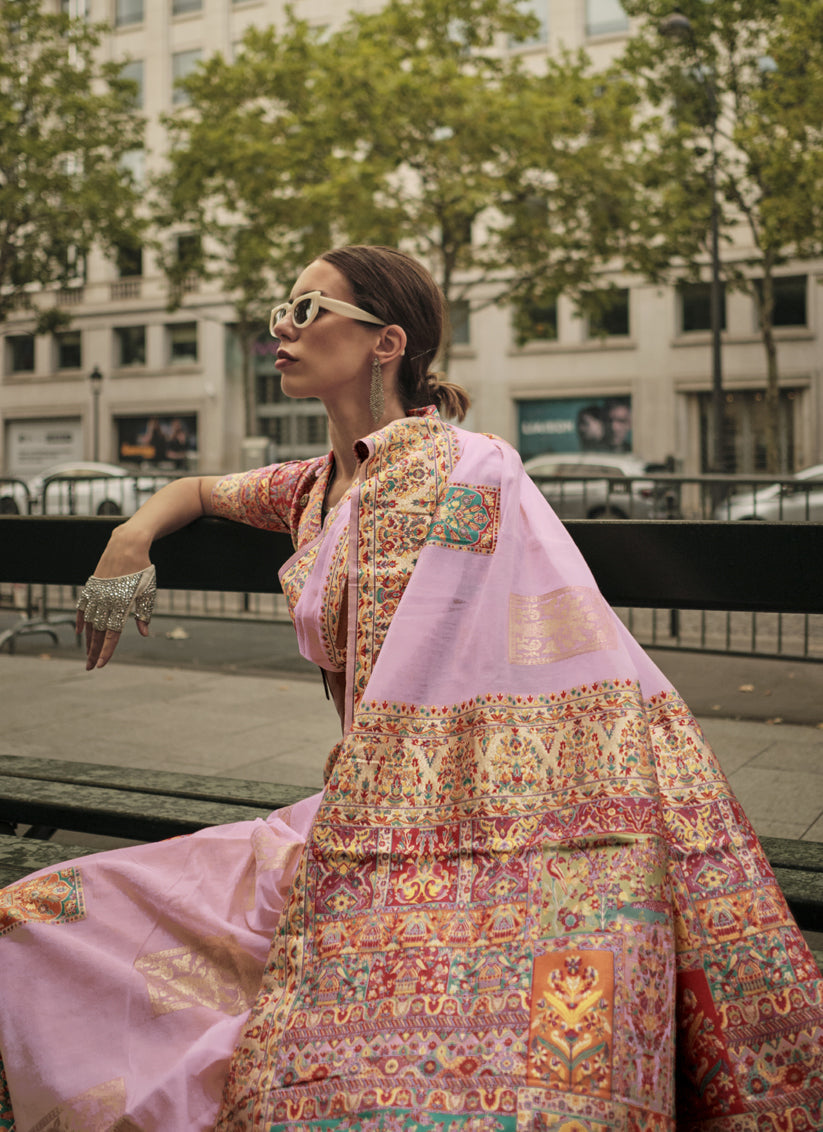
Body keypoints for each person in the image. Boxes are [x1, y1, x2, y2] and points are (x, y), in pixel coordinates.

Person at [0, 246, 820, 1131]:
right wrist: (132, 538)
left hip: (477, 809)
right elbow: (197, 487)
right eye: (284, 306)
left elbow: (520, 654)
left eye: (309, 308)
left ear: (386, 341)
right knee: (38, 914)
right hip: (357, 806)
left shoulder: (465, 467)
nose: (281, 325)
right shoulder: (312, 486)